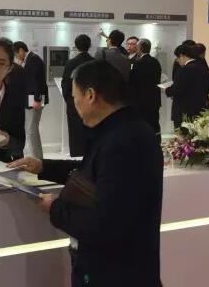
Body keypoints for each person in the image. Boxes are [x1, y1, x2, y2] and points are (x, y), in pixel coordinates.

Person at [9, 60, 163, 287]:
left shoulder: (122, 142)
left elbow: (105, 224)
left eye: (74, 96)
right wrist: (43, 166)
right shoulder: (121, 130)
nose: (74, 103)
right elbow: (92, 171)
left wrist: (55, 208)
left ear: (90, 95)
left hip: (114, 273)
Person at [13, 41, 49, 158]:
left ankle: (36, 158)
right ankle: (37, 157)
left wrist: (37, 99)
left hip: (34, 99)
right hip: (33, 98)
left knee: (31, 130)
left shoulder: (33, 60)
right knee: (31, 130)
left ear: (21, 50)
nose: (16, 57)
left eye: (16, 54)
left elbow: (37, 81)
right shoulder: (31, 59)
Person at [61, 34, 94, 156]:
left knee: (76, 134)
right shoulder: (95, 62)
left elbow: (65, 85)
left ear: (76, 46)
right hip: (93, 103)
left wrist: (70, 101)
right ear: (89, 45)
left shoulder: (71, 63)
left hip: (75, 104)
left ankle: (76, 159)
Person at [165, 44, 209, 129]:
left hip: (184, 111)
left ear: (182, 55)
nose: (177, 60)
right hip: (199, 108)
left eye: (177, 58)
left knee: (182, 135)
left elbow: (177, 89)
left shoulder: (184, 70)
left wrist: (167, 90)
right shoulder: (202, 67)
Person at [130, 39, 162, 140]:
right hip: (154, 99)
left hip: (141, 99)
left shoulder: (138, 63)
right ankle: (156, 142)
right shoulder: (156, 62)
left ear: (140, 48)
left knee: (143, 124)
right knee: (154, 122)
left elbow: (133, 81)